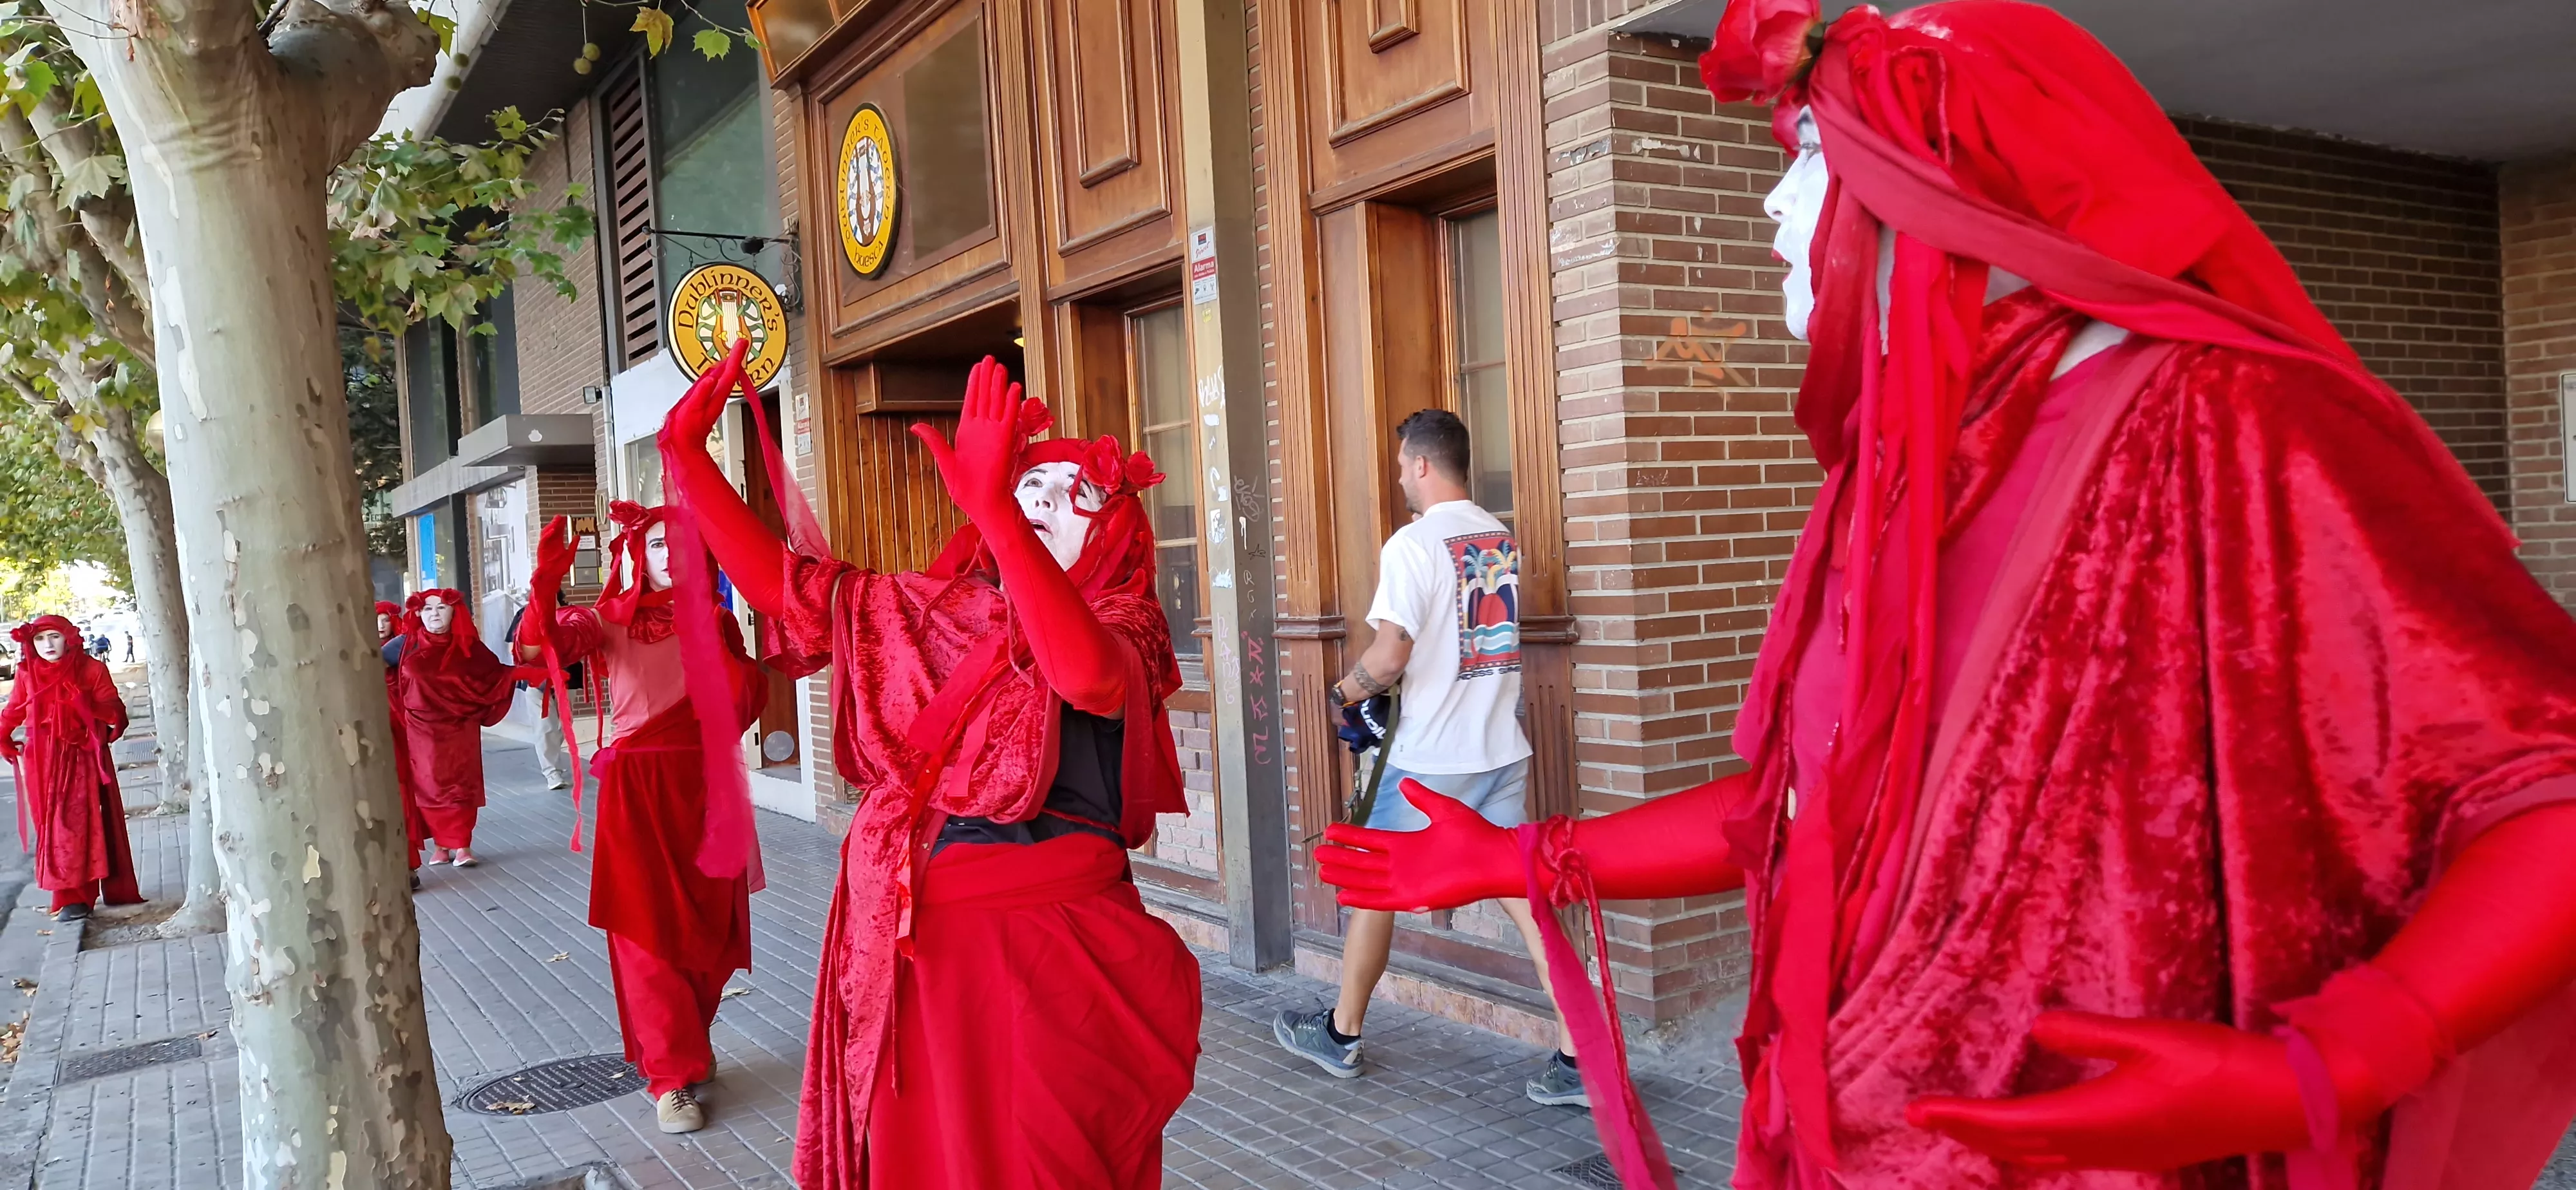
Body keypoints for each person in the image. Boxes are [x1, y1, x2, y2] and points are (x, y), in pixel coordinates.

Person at [1319, 4, 2576, 1189]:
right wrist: (1525, 857)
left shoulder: (2232, 428)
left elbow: (2542, 786)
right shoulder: (1905, 481)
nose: (1770, 196)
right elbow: (1803, 812)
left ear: (1944, 169)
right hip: (1840, 1136)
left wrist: (2338, 1056)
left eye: (1809, 147)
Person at [663, 343, 1201, 1189]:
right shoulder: (944, 615)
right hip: (914, 958)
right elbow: (791, 591)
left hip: (1047, 975)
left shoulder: (1127, 619)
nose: (1041, 506)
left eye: (1074, 495)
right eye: (1026, 490)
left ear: (1118, 526)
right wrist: (688, 461)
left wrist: (991, 508)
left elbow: (1086, 675)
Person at [1270, 408, 1586, 1108]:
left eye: (1402, 469)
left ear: (1419, 464)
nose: (1401, 481)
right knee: (1531, 903)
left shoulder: (1412, 545)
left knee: (1374, 885)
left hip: (1430, 762)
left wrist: (1342, 691)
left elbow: (1391, 653)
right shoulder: (1495, 537)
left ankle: (1341, 1033)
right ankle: (1579, 1051)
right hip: (1500, 749)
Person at [515, 502, 763, 1135]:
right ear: (635, 553)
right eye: (657, 544)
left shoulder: (718, 620)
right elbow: (543, 643)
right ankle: (670, 1077)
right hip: (638, 791)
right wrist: (544, 588)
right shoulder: (601, 620)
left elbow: (744, 703)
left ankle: (690, 1042)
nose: (670, 556)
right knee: (644, 932)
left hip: (707, 789)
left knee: (711, 930)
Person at [0, 616, 142, 921]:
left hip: (80, 757)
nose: (48, 645)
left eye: (54, 636)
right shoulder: (28, 673)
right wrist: (3, 737)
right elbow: (13, 711)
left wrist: (87, 706)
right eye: (40, 639)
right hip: (40, 760)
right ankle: (68, 894)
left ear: (69, 638)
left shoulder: (92, 669)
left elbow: (116, 714)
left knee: (74, 827)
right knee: (49, 828)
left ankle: (76, 898)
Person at [383, 589, 524, 868]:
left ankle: (462, 845)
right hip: (421, 732)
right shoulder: (403, 645)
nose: (434, 614)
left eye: (441, 608)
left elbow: (496, 675)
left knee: (461, 788)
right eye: (427, 609)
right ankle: (440, 846)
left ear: (454, 612)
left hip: (461, 731)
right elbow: (375, 670)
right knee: (428, 787)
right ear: (418, 614)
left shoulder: (470, 646)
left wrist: (525, 672)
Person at [504, 589, 578, 791]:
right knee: (544, 725)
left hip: (568, 675)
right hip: (536, 678)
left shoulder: (571, 614)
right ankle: (552, 773)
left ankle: (554, 762)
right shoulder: (524, 614)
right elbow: (513, 646)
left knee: (564, 724)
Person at [377, 601, 429, 892]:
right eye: (375, 619)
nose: (380, 624)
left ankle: (406, 864)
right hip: (371, 727)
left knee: (400, 792)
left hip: (400, 727)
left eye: (385, 619)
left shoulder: (403, 646)